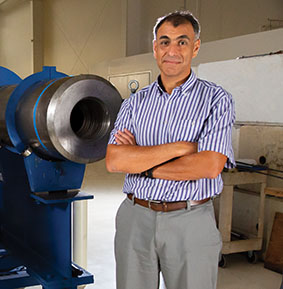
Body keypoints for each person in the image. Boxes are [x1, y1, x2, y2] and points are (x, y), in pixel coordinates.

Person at [105, 11, 235, 289]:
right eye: (164, 42)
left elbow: (209, 165)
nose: (172, 51)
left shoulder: (216, 100)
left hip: (190, 221)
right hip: (135, 217)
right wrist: (182, 148)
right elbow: (115, 160)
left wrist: (143, 163)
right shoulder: (134, 103)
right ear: (155, 48)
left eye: (182, 42)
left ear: (195, 47)